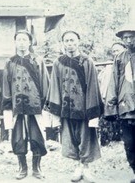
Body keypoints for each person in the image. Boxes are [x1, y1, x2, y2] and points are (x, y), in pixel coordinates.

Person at [45, 30, 103, 183]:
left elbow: (92, 86)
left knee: (85, 138)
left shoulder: (87, 61)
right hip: (66, 107)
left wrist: (92, 109)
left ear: (78, 41)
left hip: (83, 108)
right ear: (63, 43)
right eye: (67, 41)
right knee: (70, 138)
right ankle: (77, 166)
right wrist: (56, 109)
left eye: (72, 40)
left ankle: (86, 167)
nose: (70, 43)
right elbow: (55, 86)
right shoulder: (58, 62)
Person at [2, 30, 49, 180]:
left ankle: (37, 168)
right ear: (15, 42)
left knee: (37, 136)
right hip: (17, 105)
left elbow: (45, 82)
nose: (21, 42)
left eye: (24, 39)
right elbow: (6, 84)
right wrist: (8, 103)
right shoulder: (10, 62)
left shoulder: (38, 60)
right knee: (18, 137)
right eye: (19, 39)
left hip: (35, 105)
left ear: (29, 42)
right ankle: (22, 168)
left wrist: (44, 103)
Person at [104, 24, 135, 183]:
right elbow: (113, 82)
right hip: (126, 107)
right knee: (129, 143)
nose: (129, 41)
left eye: (132, 37)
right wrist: (111, 106)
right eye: (126, 38)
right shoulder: (120, 58)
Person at [98, 42, 126, 146]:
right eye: (113, 51)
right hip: (110, 99)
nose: (115, 53)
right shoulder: (108, 67)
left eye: (118, 50)